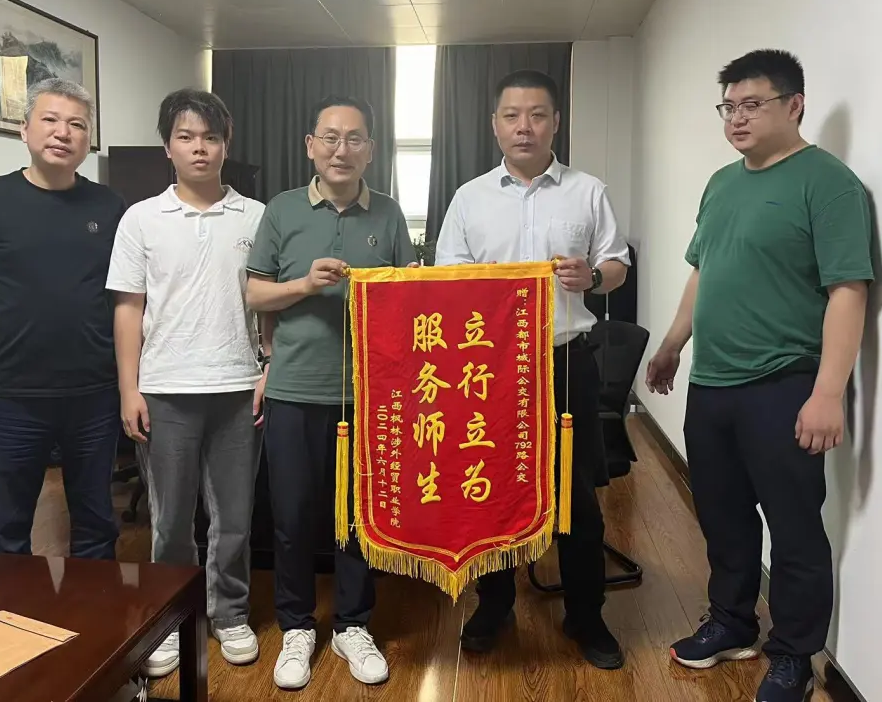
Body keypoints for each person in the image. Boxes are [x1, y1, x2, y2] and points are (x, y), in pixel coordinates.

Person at [645, 49, 873, 702]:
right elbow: (704, 269)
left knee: (794, 527)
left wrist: (828, 392)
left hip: (784, 384)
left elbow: (848, 290)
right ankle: (732, 622)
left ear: (794, 105)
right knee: (722, 516)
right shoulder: (722, 183)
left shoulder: (827, 183)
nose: (737, 118)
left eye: (753, 105)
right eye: (729, 106)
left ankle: (795, 655)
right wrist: (672, 345)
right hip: (712, 383)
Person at [435, 69, 631, 670]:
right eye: (513, 115)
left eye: (538, 114)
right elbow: (447, 278)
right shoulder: (469, 197)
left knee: (576, 497)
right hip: (488, 370)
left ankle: (585, 614)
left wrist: (592, 277)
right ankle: (495, 605)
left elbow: (617, 264)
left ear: (555, 122)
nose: (525, 126)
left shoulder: (587, 191)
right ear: (495, 125)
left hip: (565, 362)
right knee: (490, 490)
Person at [245, 94, 416, 691]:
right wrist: (304, 284)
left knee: (359, 517)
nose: (342, 149)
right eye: (330, 137)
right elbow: (255, 293)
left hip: (368, 393)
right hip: (294, 389)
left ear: (371, 150)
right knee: (292, 516)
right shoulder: (282, 209)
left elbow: (408, 296)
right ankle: (296, 626)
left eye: (354, 138)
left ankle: (352, 624)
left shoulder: (389, 214)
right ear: (310, 146)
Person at [106, 89, 268, 678]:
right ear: (167, 147)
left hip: (237, 388)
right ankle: (169, 617)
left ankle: (230, 613)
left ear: (226, 145)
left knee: (235, 519)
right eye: (186, 137)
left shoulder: (256, 217)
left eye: (210, 137)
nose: (199, 148)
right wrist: (129, 389)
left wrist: (268, 368)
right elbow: (128, 309)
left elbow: (269, 304)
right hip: (165, 389)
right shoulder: (141, 218)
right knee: (171, 522)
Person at [0, 77, 125, 559]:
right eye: (50, 120)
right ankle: (11, 612)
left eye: (77, 124)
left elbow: (128, 301)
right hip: (11, 397)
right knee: (7, 532)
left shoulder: (110, 207)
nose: (63, 133)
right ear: (24, 129)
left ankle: (93, 611)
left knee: (97, 529)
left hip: (95, 395)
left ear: (88, 139)